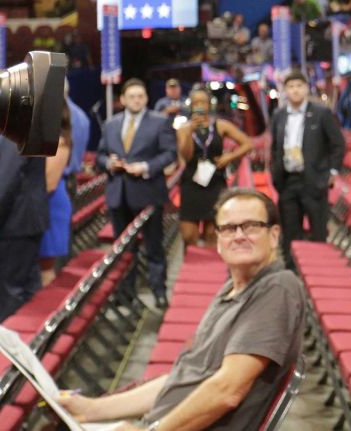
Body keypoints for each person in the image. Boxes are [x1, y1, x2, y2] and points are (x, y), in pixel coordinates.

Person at [57, 188, 306, 431]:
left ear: (274, 235)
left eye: (251, 226)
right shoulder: (231, 289)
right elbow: (183, 378)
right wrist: (91, 409)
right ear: (218, 241)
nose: (239, 235)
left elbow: (227, 391)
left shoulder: (278, 288)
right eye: (229, 228)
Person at [96, 78, 177, 308]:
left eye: (140, 96)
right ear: (122, 99)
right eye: (132, 96)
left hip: (148, 191)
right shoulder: (111, 125)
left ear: (147, 99)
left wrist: (146, 167)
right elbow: (100, 155)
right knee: (122, 249)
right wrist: (108, 163)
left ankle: (159, 291)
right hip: (118, 193)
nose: (136, 100)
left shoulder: (160, 122)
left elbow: (170, 154)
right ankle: (125, 292)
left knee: (154, 246)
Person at [270, 70, 345, 269]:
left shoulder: (321, 113)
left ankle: (319, 271)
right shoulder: (279, 115)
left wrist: (333, 172)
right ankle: (291, 273)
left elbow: (338, 144)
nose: (295, 90)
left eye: (299, 86)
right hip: (287, 181)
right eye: (291, 86)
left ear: (306, 88)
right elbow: (274, 147)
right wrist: (274, 172)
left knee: (318, 231)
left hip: (314, 180)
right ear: (285, 90)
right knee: (290, 232)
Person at [0, 130, 47, 322]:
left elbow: (6, 182)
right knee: (28, 291)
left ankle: (11, 350)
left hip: (13, 225)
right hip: (22, 223)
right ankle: (31, 347)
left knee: (9, 296)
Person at [177, 88, 253, 248]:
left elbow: (247, 143)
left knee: (213, 233)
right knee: (189, 235)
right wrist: (190, 130)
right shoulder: (184, 128)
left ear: (209, 104)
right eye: (196, 102)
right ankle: (191, 268)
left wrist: (230, 157)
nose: (199, 106)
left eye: (202, 102)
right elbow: (184, 156)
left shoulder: (221, 125)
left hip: (215, 181)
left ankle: (211, 270)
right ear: (191, 105)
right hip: (191, 183)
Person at [39, 102, 73, 286]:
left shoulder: (59, 141)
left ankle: (46, 312)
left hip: (51, 206)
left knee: (46, 267)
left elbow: (49, 184)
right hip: (45, 204)